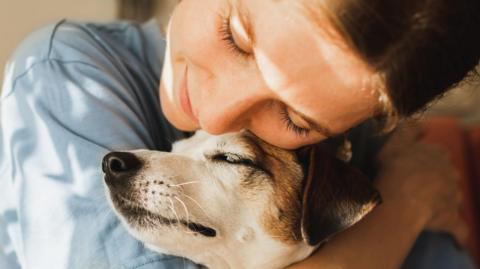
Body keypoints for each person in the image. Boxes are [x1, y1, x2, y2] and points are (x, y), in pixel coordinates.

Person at [0, 0, 478, 268]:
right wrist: (396, 219)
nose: (215, 113)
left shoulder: (354, 158)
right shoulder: (65, 75)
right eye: (235, 36)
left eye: (295, 119)